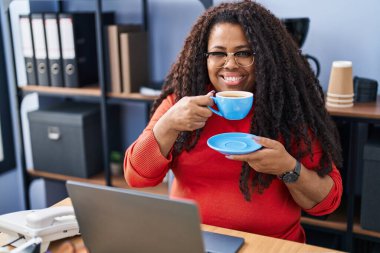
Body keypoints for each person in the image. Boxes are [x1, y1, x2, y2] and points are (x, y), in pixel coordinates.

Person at [124, 0, 342, 243]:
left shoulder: (288, 108)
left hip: (271, 245)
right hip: (194, 241)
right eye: (218, 53)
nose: (230, 64)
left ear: (267, 56)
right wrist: (168, 124)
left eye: (244, 53)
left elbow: (326, 202)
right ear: (203, 57)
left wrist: (287, 168)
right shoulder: (181, 102)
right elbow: (137, 178)